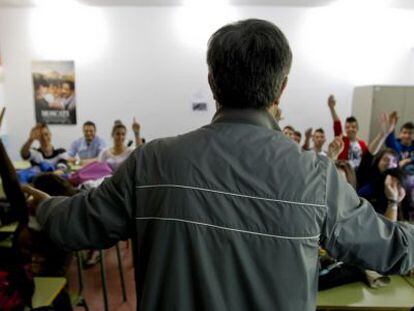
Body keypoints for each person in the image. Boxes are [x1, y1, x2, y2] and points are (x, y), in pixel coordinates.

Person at [23, 19, 414, 311]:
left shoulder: (153, 162)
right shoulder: (314, 177)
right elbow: (393, 248)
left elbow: (75, 223)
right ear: (282, 88)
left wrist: (43, 205)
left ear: (212, 82)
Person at [328, 95, 368, 169]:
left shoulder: (362, 145)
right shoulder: (341, 140)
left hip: (356, 176)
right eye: (347, 127)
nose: (350, 129)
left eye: (353, 127)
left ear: (357, 128)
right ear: (345, 129)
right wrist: (332, 108)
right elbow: (337, 123)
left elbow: (366, 161)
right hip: (342, 173)